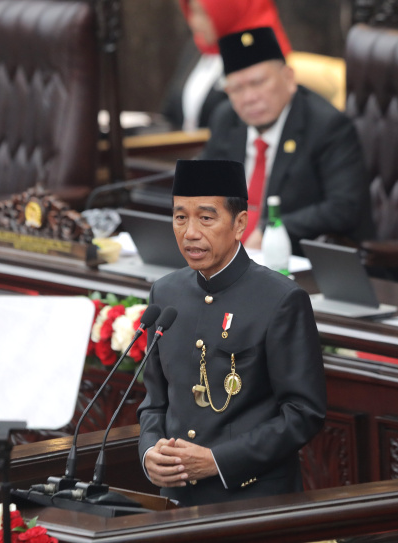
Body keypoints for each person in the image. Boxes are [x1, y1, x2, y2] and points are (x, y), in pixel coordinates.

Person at [137, 159, 326, 507]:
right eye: (180, 217)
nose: (190, 232)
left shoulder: (280, 299)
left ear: (240, 223)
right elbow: (155, 401)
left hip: (252, 500)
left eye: (206, 218)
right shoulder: (165, 292)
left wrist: (219, 461)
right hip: (176, 499)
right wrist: (149, 451)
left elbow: (303, 412)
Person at [200, 27, 374, 254]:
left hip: (298, 258)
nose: (250, 98)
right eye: (237, 89)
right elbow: (204, 187)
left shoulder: (327, 126)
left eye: (259, 83)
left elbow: (344, 208)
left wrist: (272, 230)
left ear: (289, 78)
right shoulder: (225, 119)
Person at [161, 0, 292, 132]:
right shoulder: (197, 49)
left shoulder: (260, 50)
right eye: (192, 12)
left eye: (203, 13)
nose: (194, 22)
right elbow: (171, 107)